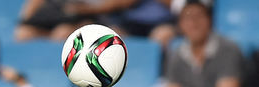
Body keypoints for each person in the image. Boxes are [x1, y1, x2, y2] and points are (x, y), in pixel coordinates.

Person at [15, 1, 175, 45]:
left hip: (136, 23)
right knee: (24, 34)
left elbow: (123, 3)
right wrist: (26, 20)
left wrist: (86, 10)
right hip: (75, 16)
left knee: (64, 32)